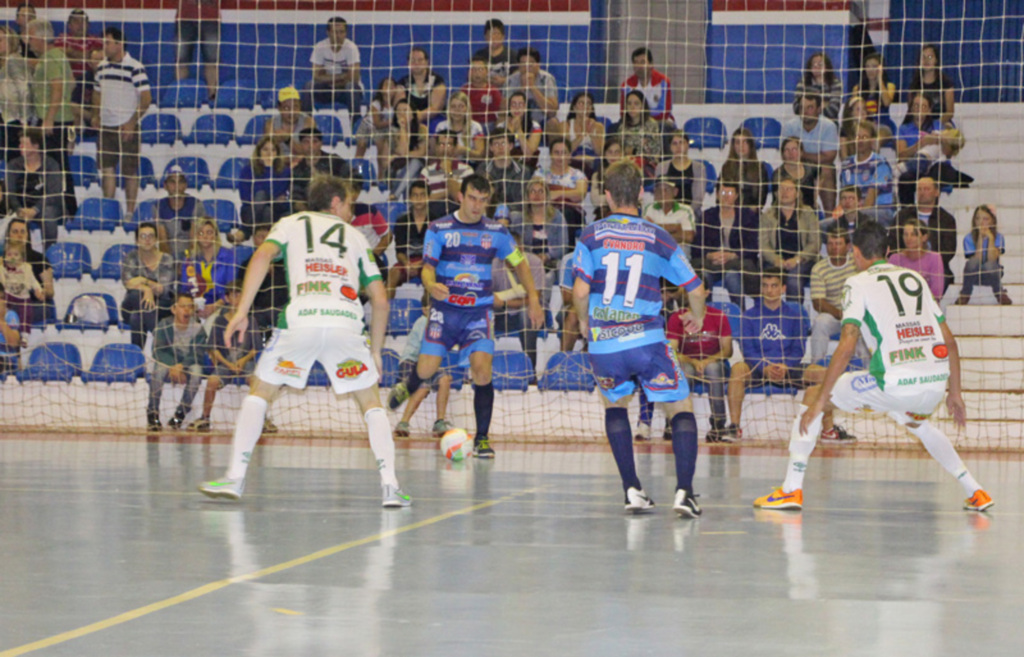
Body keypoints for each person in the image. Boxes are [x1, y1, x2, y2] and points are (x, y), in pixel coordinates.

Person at [753, 221, 993, 512]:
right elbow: (950, 342)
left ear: (855, 253)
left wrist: (820, 402)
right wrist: (955, 393)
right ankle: (975, 490)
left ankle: (791, 490)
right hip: (933, 384)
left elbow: (847, 342)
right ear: (889, 251)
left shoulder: (857, 282)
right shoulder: (914, 278)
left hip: (893, 380)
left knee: (813, 395)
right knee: (915, 422)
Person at [199, 175, 409, 505]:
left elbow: (261, 256)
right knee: (371, 404)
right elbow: (380, 300)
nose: (353, 213)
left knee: (260, 393)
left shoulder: (290, 223)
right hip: (345, 323)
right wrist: (378, 352)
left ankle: (235, 478)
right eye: (350, 204)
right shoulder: (355, 237)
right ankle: (390, 487)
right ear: (336, 202)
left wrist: (241, 311)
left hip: (301, 320)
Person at [571, 159, 705, 516]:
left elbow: (581, 290)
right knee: (680, 407)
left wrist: (585, 324)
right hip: (646, 341)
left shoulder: (590, 235)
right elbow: (695, 286)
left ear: (609, 195)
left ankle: (632, 489)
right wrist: (697, 317)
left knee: (615, 406)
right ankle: (685, 492)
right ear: (642, 194)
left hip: (605, 345)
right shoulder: (657, 236)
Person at [386, 174, 544, 458]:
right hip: (445, 312)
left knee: (483, 369)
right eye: (472, 198)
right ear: (460, 196)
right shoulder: (439, 228)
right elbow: (427, 267)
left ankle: (482, 438)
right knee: (425, 369)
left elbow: (519, 264)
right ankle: (407, 386)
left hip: (478, 313)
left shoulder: (496, 232)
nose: (477, 205)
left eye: (483, 201)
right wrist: (431, 285)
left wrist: (532, 297)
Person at [725, 268, 817, 441]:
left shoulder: (795, 316)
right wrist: (764, 367)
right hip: (759, 369)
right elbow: (747, 350)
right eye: (765, 286)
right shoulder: (749, 316)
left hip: (787, 368)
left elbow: (799, 349)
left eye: (774, 286)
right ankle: (734, 427)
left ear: (783, 288)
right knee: (737, 369)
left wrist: (786, 366)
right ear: (761, 288)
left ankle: (827, 430)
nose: (769, 290)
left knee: (823, 374)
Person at [188, 279, 276, 434]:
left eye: (240, 296)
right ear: (227, 299)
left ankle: (263, 419)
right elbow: (213, 349)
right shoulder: (220, 321)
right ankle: (205, 418)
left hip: (245, 362)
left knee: (256, 382)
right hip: (225, 363)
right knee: (212, 381)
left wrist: (242, 361)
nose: (237, 300)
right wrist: (228, 364)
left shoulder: (251, 320)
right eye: (234, 296)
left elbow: (256, 348)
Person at [92, 27, 150, 216]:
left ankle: (130, 212)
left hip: (127, 127)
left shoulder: (135, 66)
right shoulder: (101, 67)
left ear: (119, 44)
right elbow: (96, 92)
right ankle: (108, 210)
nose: (104, 46)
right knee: (107, 169)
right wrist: (95, 115)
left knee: (130, 171)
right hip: (106, 127)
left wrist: (132, 122)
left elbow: (146, 98)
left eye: (107, 42)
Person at [665, 283, 732, 442]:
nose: (692, 294)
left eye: (697, 290)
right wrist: (693, 361)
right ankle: (676, 421)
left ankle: (718, 424)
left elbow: (728, 350)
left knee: (713, 369)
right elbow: (672, 351)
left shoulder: (718, 316)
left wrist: (707, 360)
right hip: (687, 361)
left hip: (714, 361)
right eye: (689, 290)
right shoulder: (677, 317)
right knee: (684, 370)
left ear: (707, 292)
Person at [26, 18, 77, 220]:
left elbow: (58, 87)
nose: (27, 41)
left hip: (54, 122)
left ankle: (67, 209)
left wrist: (49, 118)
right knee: (53, 166)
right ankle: (61, 208)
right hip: (56, 120)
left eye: (30, 37)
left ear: (40, 38)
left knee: (57, 166)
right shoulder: (54, 57)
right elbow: (70, 83)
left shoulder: (53, 57)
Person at [393, 291, 454, 438]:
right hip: (410, 363)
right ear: (425, 310)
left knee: (445, 379)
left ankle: (439, 421)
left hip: (426, 364)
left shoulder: (438, 325)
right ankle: (403, 422)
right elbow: (426, 350)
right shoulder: (423, 323)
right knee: (423, 385)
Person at [691, 180, 760, 305]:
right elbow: (696, 247)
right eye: (722, 192)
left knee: (732, 277)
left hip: (736, 264)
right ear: (717, 195)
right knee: (703, 277)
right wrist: (709, 255)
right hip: (711, 264)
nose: (726, 195)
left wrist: (733, 255)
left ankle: (740, 315)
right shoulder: (707, 216)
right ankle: (706, 314)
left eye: (730, 192)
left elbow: (753, 247)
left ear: (737, 195)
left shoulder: (747, 216)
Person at [894, 94, 970, 206]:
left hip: (936, 165)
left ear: (929, 110)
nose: (919, 109)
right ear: (910, 108)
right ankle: (908, 212)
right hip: (917, 166)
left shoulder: (938, 126)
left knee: (938, 172)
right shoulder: (904, 129)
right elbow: (901, 156)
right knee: (906, 178)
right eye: (915, 105)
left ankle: (932, 211)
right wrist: (921, 144)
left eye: (923, 106)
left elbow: (949, 152)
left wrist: (941, 140)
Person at [147, 293, 207, 431]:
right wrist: (173, 365)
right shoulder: (164, 325)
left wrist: (181, 366)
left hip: (187, 363)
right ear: (174, 309)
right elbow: (158, 350)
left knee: (197, 373)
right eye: (183, 306)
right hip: (168, 362)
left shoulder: (198, 329)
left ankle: (180, 414)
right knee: (158, 371)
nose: (187, 310)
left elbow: (197, 353)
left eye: (190, 307)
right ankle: (152, 414)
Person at [890, 177, 957, 294]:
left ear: (937, 192)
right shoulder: (902, 216)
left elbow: (949, 250)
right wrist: (910, 257)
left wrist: (927, 260)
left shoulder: (946, 219)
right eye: (919, 189)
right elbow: (892, 242)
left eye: (926, 189)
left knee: (942, 277)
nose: (922, 192)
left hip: (934, 266)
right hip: (905, 262)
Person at [759, 178, 820, 301]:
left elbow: (815, 243)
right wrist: (776, 259)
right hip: (775, 262)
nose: (784, 192)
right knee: (769, 282)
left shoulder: (808, 213)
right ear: (776, 193)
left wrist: (797, 259)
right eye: (781, 189)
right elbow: (763, 244)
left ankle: (795, 318)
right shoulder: (767, 215)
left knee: (793, 280)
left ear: (797, 193)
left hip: (803, 261)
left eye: (789, 189)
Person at [808, 224, 859, 365]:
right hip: (835, 316)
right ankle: (816, 367)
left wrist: (854, 314)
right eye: (830, 244)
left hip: (859, 314)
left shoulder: (857, 262)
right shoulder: (819, 268)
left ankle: (865, 371)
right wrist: (841, 314)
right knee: (820, 322)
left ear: (848, 246)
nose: (833, 247)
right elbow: (817, 302)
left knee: (866, 325)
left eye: (838, 244)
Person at [493, 232, 545, 367]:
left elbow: (535, 299)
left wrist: (505, 302)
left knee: (526, 313)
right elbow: (490, 299)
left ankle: (530, 370)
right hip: (500, 316)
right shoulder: (494, 265)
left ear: (521, 249)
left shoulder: (534, 262)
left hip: (529, 316)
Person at [6, 127, 63, 251]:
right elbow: (9, 191)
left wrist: (35, 209)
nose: (20, 146)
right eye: (20, 143)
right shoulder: (13, 165)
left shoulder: (51, 164)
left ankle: (49, 254)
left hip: (44, 207)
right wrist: (18, 209)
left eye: (25, 144)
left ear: (36, 146)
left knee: (48, 214)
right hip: (21, 207)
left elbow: (54, 193)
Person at [121, 221, 176, 349]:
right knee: (135, 294)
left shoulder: (167, 259)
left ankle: (136, 358)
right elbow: (128, 282)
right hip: (131, 304)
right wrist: (147, 290)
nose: (147, 240)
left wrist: (142, 280)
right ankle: (162, 348)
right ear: (136, 241)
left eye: (151, 236)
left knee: (137, 317)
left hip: (161, 307)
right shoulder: (131, 257)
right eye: (143, 236)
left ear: (156, 239)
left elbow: (164, 289)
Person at [781, 93, 839, 212]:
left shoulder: (829, 126)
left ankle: (830, 218)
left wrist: (801, 154)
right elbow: (786, 155)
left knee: (827, 169)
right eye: (802, 108)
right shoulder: (789, 126)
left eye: (810, 107)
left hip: (819, 168)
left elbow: (829, 157)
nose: (805, 111)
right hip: (796, 166)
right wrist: (805, 157)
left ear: (819, 109)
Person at [53, 9, 103, 127]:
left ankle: (86, 120)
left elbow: (97, 58)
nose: (80, 25)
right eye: (76, 21)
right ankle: (83, 123)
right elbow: (58, 56)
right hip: (67, 84)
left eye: (83, 22)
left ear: (89, 25)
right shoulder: (61, 39)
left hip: (89, 84)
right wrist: (85, 55)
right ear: (69, 25)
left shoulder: (95, 41)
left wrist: (70, 52)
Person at [512, 179, 569, 280]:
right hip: (526, 262)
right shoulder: (519, 219)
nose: (537, 195)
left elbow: (563, 246)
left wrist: (547, 256)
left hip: (550, 264)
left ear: (547, 196)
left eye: (541, 191)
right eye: (533, 191)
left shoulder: (558, 217)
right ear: (527, 197)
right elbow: (514, 245)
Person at [839, 120, 894, 226]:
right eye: (857, 137)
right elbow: (844, 195)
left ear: (872, 140)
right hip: (854, 213)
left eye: (864, 137)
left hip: (879, 211)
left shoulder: (880, 163)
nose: (860, 141)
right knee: (825, 226)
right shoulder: (847, 164)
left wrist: (857, 217)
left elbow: (871, 196)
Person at [289, 126, 355, 213]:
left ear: (321, 143)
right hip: (310, 212)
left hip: (337, 207)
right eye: (306, 142)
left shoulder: (334, 161)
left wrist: (347, 200)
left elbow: (355, 178)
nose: (310, 146)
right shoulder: (297, 171)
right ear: (301, 145)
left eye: (315, 142)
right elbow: (296, 199)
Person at [181, 218, 236, 320]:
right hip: (196, 305)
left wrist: (216, 305)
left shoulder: (228, 255)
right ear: (196, 236)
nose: (205, 237)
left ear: (215, 235)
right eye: (201, 233)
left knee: (214, 323)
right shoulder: (190, 259)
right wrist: (194, 306)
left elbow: (232, 288)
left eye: (209, 232)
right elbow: (185, 288)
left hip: (222, 304)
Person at [533, 137, 588, 240]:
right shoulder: (540, 174)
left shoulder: (577, 174)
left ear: (569, 155)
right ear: (550, 155)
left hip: (572, 214)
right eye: (556, 152)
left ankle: (568, 253)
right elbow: (536, 194)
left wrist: (557, 193)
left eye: (564, 153)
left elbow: (580, 195)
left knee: (566, 213)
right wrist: (569, 192)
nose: (560, 157)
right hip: (545, 211)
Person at [387, 180, 435, 297]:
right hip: (407, 262)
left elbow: (435, 252)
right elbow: (399, 252)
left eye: (422, 195)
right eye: (415, 195)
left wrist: (420, 263)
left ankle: (427, 310)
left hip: (427, 262)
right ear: (409, 198)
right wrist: (406, 264)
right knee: (393, 273)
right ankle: (387, 311)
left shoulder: (436, 222)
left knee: (431, 277)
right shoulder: (402, 221)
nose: (419, 199)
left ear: (429, 197)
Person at [305, 16, 362, 112]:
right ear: (328, 33)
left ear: (346, 33)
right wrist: (343, 76)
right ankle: (306, 123)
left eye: (342, 32)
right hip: (327, 91)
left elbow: (355, 78)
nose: (338, 35)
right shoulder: (320, 47)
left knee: (351, 87)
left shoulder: (352, 48)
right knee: (308, 86)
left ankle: (355, 125)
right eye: (335, 32)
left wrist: (327, 78)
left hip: (345, 91)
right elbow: (316, 76)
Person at [238, 136, 291, 238]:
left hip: (276, 210)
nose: (269, 153)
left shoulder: (285, 171)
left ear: (277, 153)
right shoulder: (248, 170)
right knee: (261, 196)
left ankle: (245, 231)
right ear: (259, 152)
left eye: (273, 150)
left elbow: (278, 195)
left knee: (267, 208)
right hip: (251, 211)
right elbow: (246, 197)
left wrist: (269, 168)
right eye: (265, 149)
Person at [2, 216, 52, 324]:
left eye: (22, 232)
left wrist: (42, 293)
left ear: (28, 235)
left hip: (33, 304)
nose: (19, 235)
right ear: (8, 235)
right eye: (15, 232)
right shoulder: (2, 259)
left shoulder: (40, 259)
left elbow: (50, 290)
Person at [958, 204, 1011, 306]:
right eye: (978, 218)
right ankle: (965, 293)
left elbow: (992, 258)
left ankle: (999, 293)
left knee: (990, 265)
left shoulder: (999, 237)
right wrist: (980, 239)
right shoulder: (968, 238)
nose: (981, 222)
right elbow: (977, 259)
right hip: (974, 276)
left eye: (985, 219)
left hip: (992, 275)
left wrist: (990, 238)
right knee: (972, 262)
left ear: (992, 221)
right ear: (974, 220)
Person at [476, 128, 531, 221]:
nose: (500, 147)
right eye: (496, 144)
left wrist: (503, 212)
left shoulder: (523, 171)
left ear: (511, 146)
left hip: (513, 215)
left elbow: (522, 203)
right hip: (487, 212)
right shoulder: (482, 170)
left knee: (517, 216)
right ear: (491, 148)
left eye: (503, 143)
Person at [240, 224, 287, 332]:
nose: (263, 240)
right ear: (254, 239)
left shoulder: (284, 263)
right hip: (257, 310)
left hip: (279, 308)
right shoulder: (246, 264)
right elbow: (242, 289)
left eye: (267, 237)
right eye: (260, 237)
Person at [546, 91, 605, 176]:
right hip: (573, 159)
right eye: (581, 103)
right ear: (574, 107)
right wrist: (582, 134)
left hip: (592, 160)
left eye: (588, 104)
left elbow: (600, 152)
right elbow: (565, 151)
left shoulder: (598, 126)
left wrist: (591, 133)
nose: (585, 106)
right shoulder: (565, 125)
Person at [155, 164, 207, 259]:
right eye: (172, 182)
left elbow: (194, 242)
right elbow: (162, 241)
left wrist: (186, 263)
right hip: (168, 256)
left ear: (185, 185)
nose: (176, 186)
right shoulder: (158, 206)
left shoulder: (196, 205)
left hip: (191, 256)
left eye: (180, 182)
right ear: (165, 186)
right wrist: (171, 263)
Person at [354, 77, 403, 176]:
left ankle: (381, 175)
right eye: (386, 85)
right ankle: (357, 171)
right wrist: (392, 121)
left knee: (381, 150)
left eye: (392, 86)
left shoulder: (397, 104)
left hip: (383, 129)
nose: (389, 88)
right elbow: (377, 123)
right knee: (361, 148)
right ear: (381, 89)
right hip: (368, 126)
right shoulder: (376, 104)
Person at [888, 219, 945, 300]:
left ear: (924, 237)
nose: (909, 238)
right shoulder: (895, 259)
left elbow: (937, 293)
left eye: (914, 234)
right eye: (905, 234)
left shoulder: (934, 258)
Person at [0, 25, 32, 163]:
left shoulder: (14, 60)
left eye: (0, 40)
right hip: (6, 118)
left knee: (15, 162)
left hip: (15, 120)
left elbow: (24, 90)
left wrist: (25, 122)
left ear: (11, 42)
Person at [175, 0, 219, 100]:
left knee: (212, 61)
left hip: (210, 18)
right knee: (181, 61)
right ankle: (180, 95)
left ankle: (213, 97)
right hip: (185, 18)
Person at [654, 130, 707, 213]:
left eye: (681, 142)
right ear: (670, 147)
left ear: (687, 145)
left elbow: (698, 198)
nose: (678, 146)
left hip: (691, 212)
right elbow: (659, 195)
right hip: (667, 212)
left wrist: (685, 214)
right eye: (674, 143)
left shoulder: (699, 168)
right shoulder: (661, 167)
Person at [720, 126, 771, 211]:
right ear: (733, 146)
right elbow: (720, 195)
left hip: (752, 214)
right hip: (730, 213)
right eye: (737, 142)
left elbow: (761, 200)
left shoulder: (760, 169)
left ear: (750, 145)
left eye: (745, 142)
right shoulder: (726, 167)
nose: (741, 146)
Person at [503, 47, 559, 125]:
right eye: (523, 63)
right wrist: (522, 88)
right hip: (517, 120)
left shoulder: (547, 79)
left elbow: (552, 112)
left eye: (531, 63)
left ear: (538, 65)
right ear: (518, 65)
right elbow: (503, 109)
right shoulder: (511, 80)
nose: (527, 67)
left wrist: (532, 87)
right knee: (502, 120)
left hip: (541, 121)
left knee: (554, 122)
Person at [612, 89, 662, 173]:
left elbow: (653, 152)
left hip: (646, 167)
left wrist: (633, 151)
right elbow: (620, 150)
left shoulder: (651, 125)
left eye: (636, 103)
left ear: (643, 106)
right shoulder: (622, 127)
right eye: (629, 103)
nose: (632, 107)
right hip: (625, 165)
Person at [386, 98, 426, 200]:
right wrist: (403, 128)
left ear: (413, 114)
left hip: (418, 166)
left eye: (405, 110)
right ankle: (406, 209)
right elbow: (403, 151)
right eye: (399, 111)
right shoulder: (393, 132)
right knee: (410, 179)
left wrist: (403, 155)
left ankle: (395, 194)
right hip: (399, 167)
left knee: (415, 162)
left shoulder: (422, 129)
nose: (401, 113)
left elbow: (421, 152)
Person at [620, 46, 673, 124]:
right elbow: (623, 112)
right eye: (636, 62)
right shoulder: (626, 85)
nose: (639, 66)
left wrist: (644, 119)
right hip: (635, 122)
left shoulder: (663, 82)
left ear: (651, 64)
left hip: (659, 122)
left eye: (642, 62)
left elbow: (665, 111)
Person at [907, 43, 956, 127]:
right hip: (919, 123)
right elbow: (911, 111)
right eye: (923, 57)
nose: (926, 60)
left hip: (942, 123)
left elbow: (949, 112)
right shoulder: (914, 85)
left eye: (930, 57)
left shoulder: (946, 84)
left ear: (936, 60)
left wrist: (934, 125)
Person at [853, 50, 897, 140]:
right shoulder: (857, 88)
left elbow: (887, 102)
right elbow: (854, 110)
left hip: (883, 124)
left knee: (875, 140)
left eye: (874, 66)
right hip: (864, 124)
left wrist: (880, 79)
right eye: (867, 66)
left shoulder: (889, 86)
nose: (870, 70)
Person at [419, 130, 474, 203]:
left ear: (455, 148)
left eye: (449, 145)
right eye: (441, 144)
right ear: (436, 147)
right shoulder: (426, 171)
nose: (444, 149)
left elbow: (459, 199)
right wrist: (448, 192)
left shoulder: (467, 170)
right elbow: (422, 199)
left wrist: (449, 172)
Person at [643, 177, 696, 251]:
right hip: (656, 255)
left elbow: (688, 237)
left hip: (679, 256)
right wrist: (675, 227)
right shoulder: (648, 208)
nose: (662, 193)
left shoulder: (686, 210)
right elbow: (645, 234)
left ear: (675, 192)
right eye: (659, 190)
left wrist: (655, 227)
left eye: (666, 189)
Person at [397, 46, 446, 127]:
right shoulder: (402, 83)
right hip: (409, 121)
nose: (416, 63)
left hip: (433, 121)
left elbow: (435, 109)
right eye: (413, 60)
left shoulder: (438, 82)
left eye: (420, 60)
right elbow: (400, 108)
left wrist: (415, 117)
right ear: (408, 63)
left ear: (427, 62)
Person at [0, 241, 42, 332]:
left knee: (27, 311)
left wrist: (38, 289)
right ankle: (9, 319)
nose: (12, 257)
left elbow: (33, 281)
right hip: (9, 294)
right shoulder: (2, 269)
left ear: (22, 258)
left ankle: (25, 333)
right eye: (9, 254)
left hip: (23, 297)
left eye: (16, 254)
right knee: (3, 302)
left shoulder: (26, 268)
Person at [431, 91, 485, 161]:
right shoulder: (441, 126)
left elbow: (480, 155)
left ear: (467, 109)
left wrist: (465, 150)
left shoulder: (475, 127)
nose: (457, 110)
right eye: (453, 106)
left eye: (461, 106)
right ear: (449, 109)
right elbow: (435, 152)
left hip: (469, 166)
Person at [495, 90, 542, 167]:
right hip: (505, 164)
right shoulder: (501, 126)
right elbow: (499, 151)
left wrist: (519, 130)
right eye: (513, 105)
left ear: (526, 107)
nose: (517, 108)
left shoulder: (535, 126)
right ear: (509, 107)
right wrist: (509, 131)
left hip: (526, 166)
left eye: (520, 105)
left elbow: (528, 155)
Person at [792, 51, 843, 121]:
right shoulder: (803, 83)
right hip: (806, 123)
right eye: (813, 64)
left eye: (820, 64)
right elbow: (796, 108)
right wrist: (824, 104)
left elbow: (833, 111)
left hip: (829, 123)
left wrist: (810, 107)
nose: (816, 66)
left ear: (827, 67)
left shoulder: (835, 83)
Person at [773, 136, 819, 211]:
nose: (791, 153)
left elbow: (821, 179)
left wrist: (816, 198)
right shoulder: (777, 175)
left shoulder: (811, 169)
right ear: (783, 154)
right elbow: (776, 202)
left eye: (794, 149)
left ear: (801, 152)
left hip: (810, 213)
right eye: (787, 150)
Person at [265, 86, 314, 155]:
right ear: (279, 108)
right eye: (286, 108)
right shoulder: (271, 124)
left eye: (295, 107)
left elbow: (308, 153)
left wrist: (288, 139)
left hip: (302, 165)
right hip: (279, 164)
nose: (292, 112)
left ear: (300, 106)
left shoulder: (308, 122)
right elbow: (268, 154)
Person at [461, 54, 502, 130]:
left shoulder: (493, 91)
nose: (477, 73)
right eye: (473, 69)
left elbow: (499, 114)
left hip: (488, 125)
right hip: (469, 125)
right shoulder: (464, 91)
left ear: (487, 71)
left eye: (480, 69)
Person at [473, 18, 515, 88]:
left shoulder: (512, 55)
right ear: (485, 37)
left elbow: (518, 78)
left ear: (503, 36)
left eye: (497, 33)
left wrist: (504, 80)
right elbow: (472, 77)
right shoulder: (479, 56)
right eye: (490, 34)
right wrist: (486, 80)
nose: (494, 37)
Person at [589, 137, 624, 220]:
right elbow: (595, 200)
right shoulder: (597, 175)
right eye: (610, 152)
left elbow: (631, 199)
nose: (613, 156)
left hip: (624, 214)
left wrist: (606, 198)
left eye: (617, 152)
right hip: (603, 215)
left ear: (622, 154)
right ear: (604, 154)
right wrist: (617, 199)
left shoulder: (629, 175)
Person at [0, 282, 21, 374]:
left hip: (7, 360)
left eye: (2, 298)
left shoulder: (10, 315)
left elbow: (14, 343)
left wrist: (1, 319)